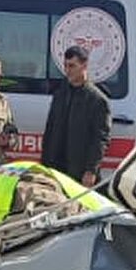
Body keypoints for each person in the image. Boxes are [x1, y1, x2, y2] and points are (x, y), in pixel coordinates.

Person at [42, 41, 111, 183]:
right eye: (65, 65)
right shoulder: (60, 94)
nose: (67, 70)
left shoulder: (97, 100)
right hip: (56, 168)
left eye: (72, 66)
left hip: (79, 170)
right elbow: (50, 130)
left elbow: (100, 139)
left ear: (84, 66)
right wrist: (45, 165)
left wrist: (91, 170)